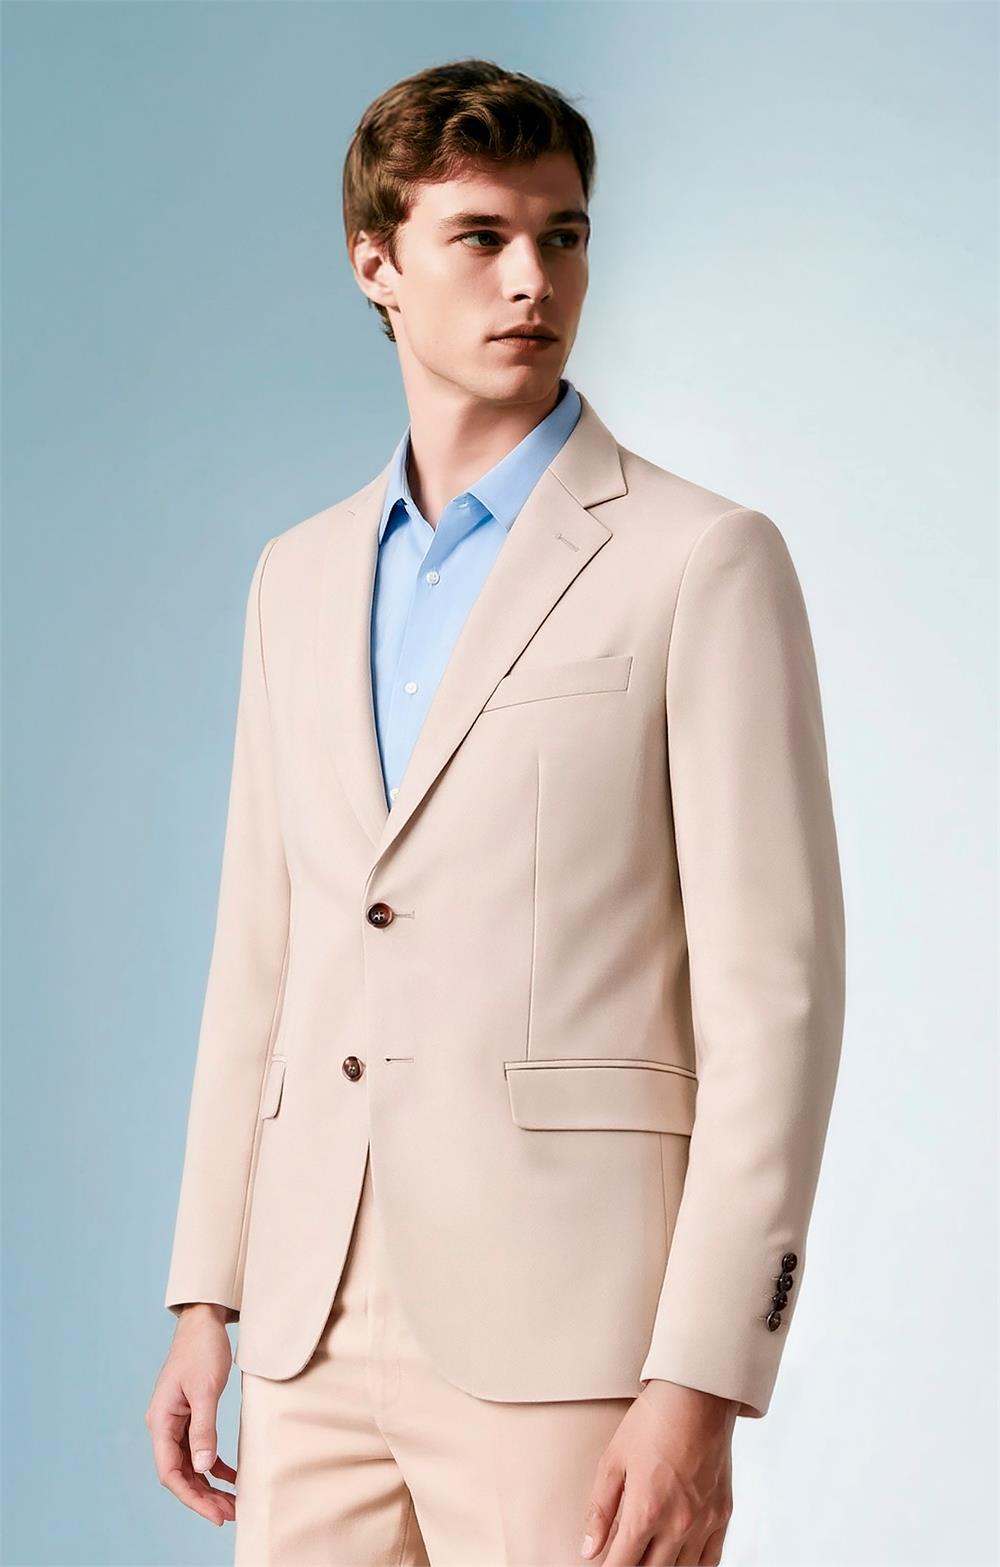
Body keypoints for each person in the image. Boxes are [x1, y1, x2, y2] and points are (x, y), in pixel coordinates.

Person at [146, 57, 845, 1567]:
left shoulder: (698, 559)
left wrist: (703, 1376)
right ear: (377, 264)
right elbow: (261, 955)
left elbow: (775, 1004)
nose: (534, 280)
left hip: (572, 1335)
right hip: (310, 1328)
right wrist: (208, 1293)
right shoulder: (297, 578)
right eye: (481, 237)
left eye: (563, 236)